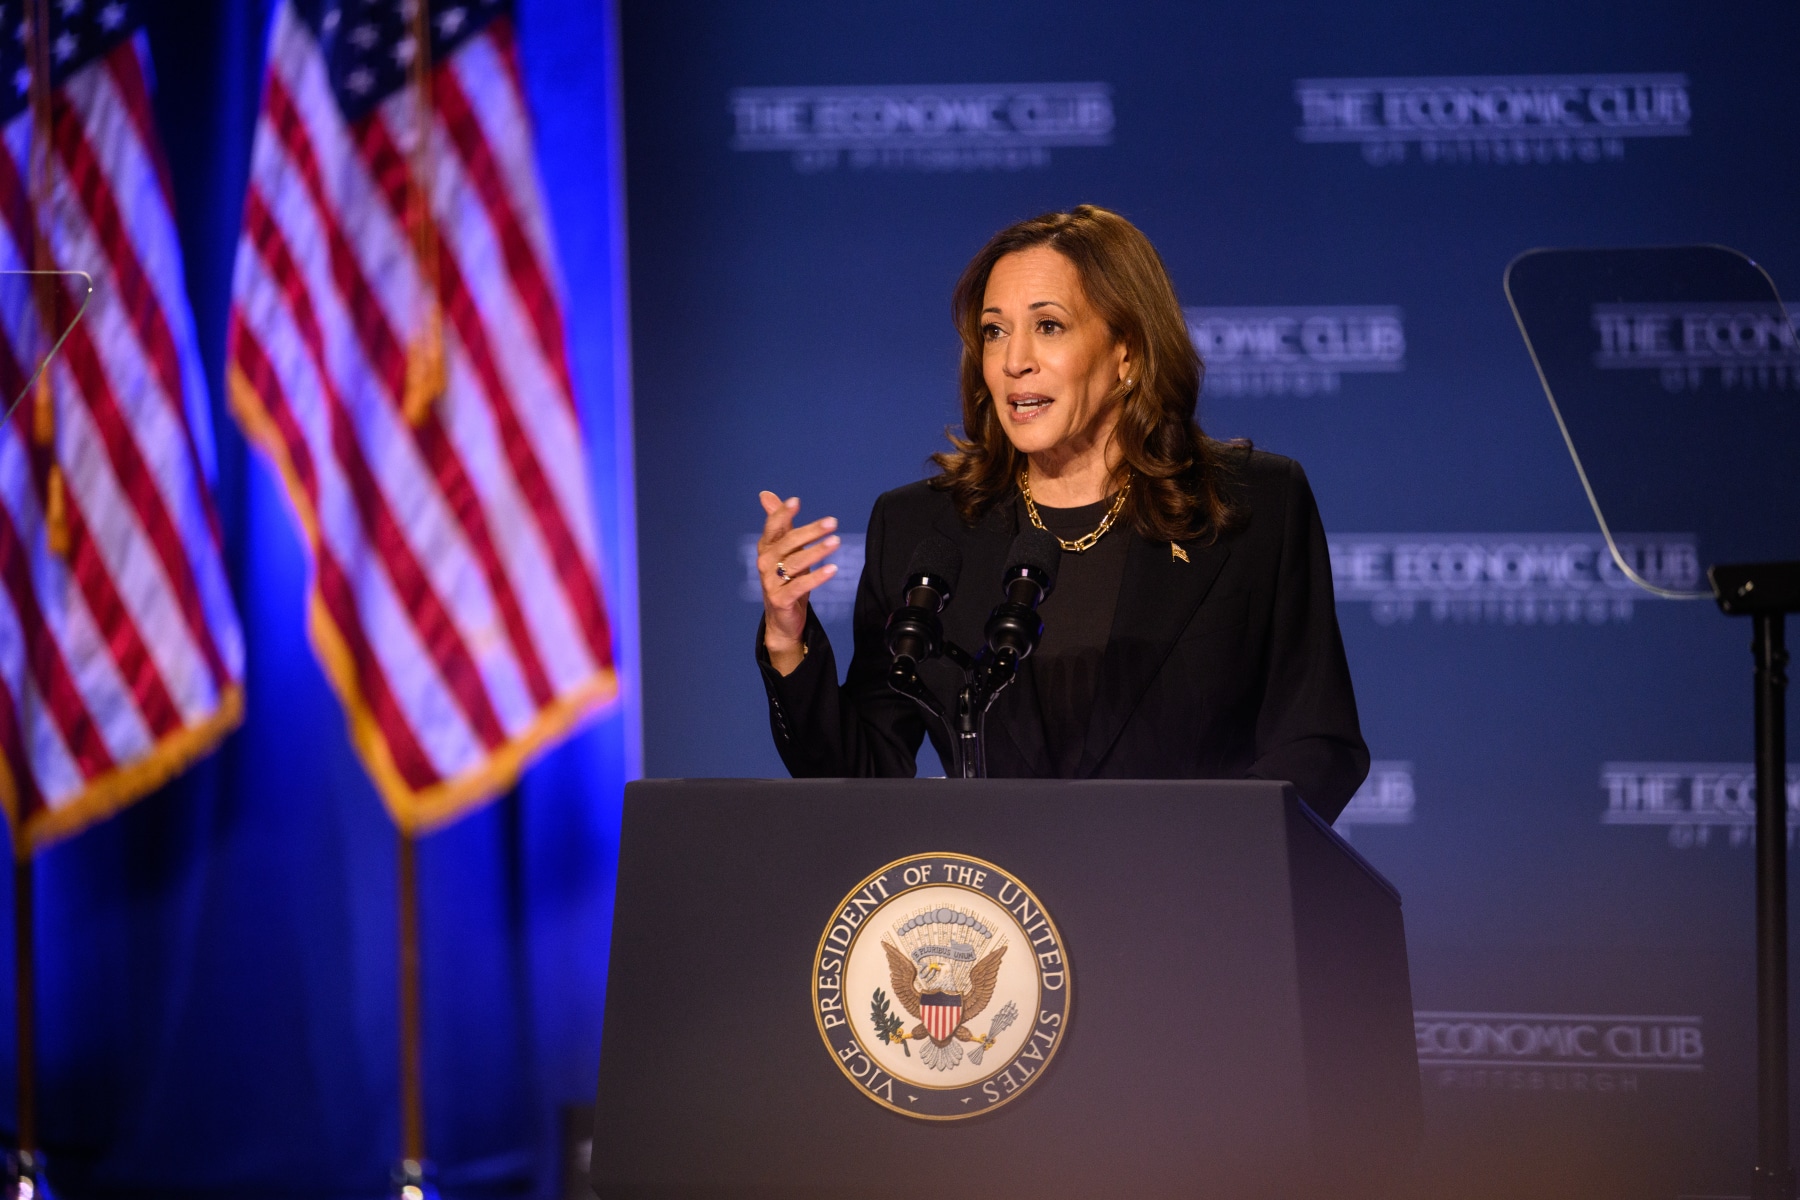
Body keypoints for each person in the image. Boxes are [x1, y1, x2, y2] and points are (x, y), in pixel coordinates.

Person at [751, 205, 1368, 821]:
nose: (1015, 359)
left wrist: (1204, 864)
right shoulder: (920, 530)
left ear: (1126, 350)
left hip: (1191, 903)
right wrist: (787, 636)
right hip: (1003, 912)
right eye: (995, 331)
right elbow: (865, 776)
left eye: (1048, 327)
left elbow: (1318, 744)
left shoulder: (1250, 506)